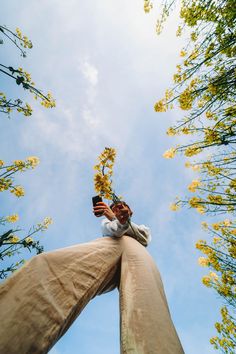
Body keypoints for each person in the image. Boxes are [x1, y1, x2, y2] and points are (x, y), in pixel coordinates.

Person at [0, 200, 185, 354]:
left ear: (131, 210)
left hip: (138, 254)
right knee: (51, 264)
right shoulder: (106, 224)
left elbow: (143, 239)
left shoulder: (142, 227)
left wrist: (124, 220)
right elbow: (114, 231)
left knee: (146, 300)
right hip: (108, 246)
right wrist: (117, 220)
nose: (118, 209)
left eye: (122, 206)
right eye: (114, 207)